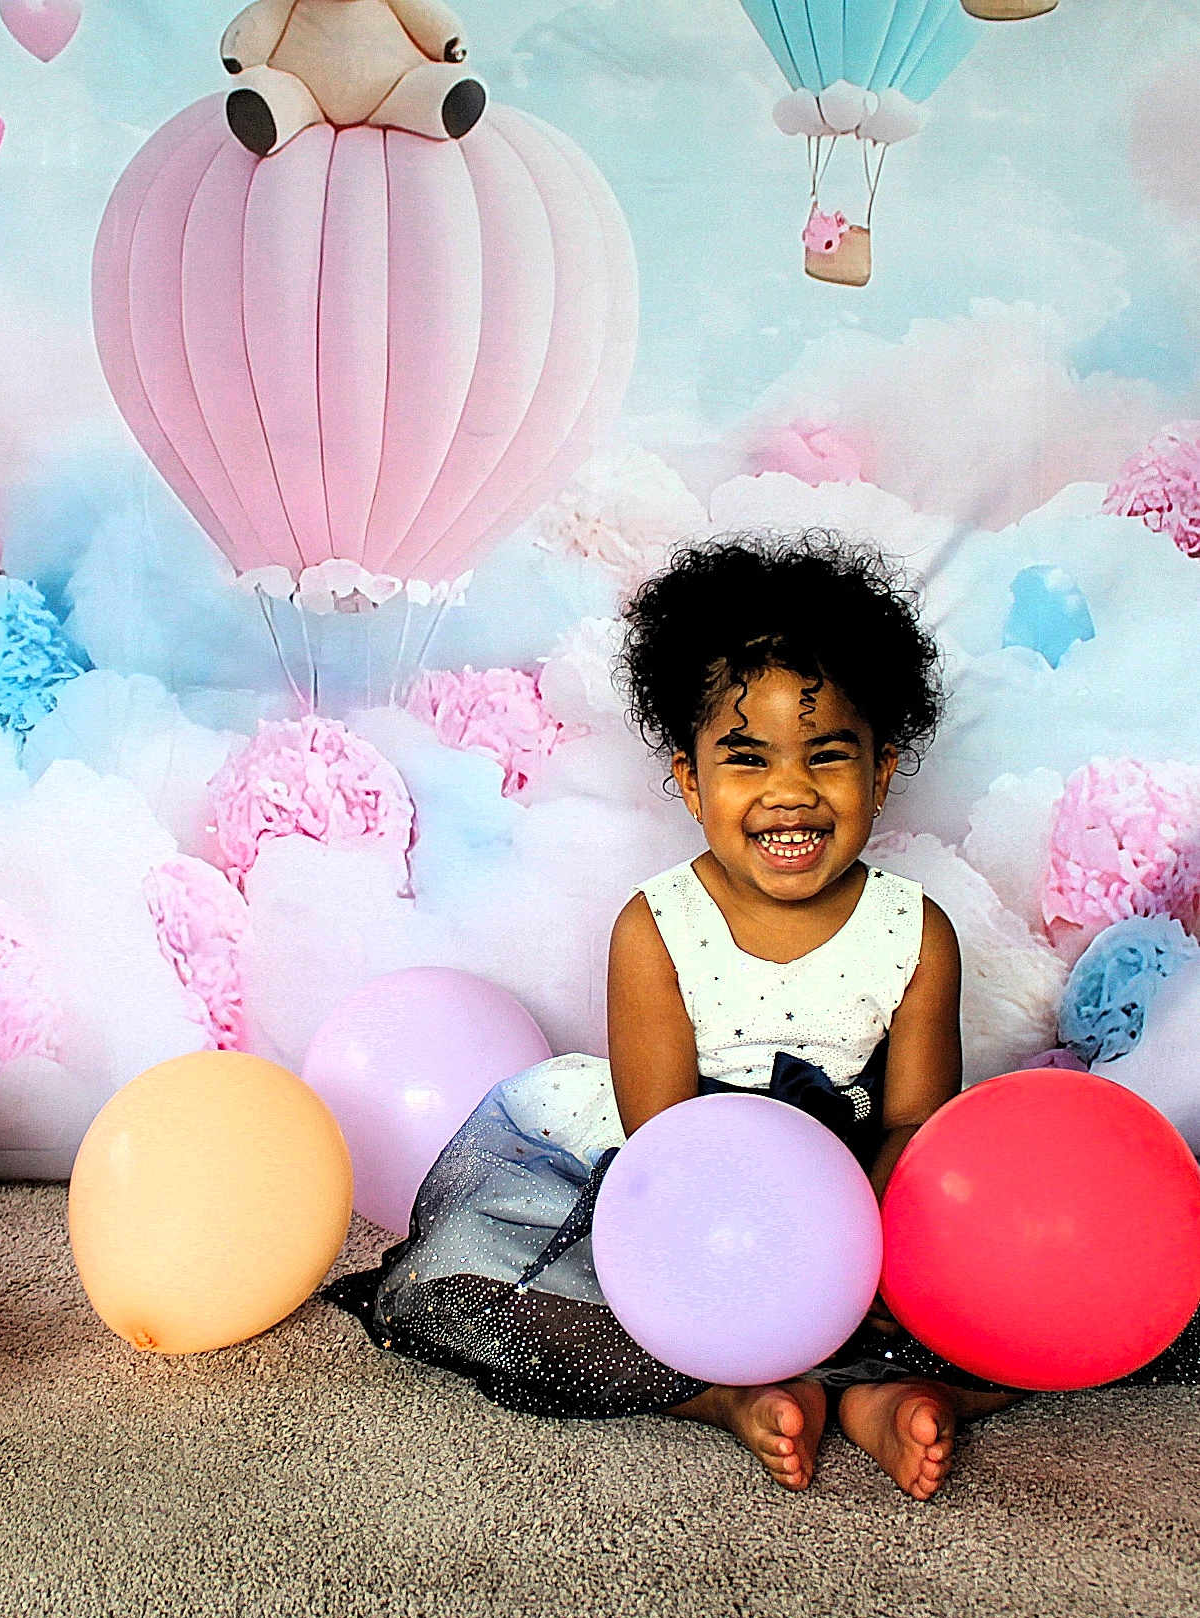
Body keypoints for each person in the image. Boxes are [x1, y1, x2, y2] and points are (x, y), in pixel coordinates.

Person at [327, 531, 1200, 1500]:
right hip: (692, 1214)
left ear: (879, 770)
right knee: (506, 1295)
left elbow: (916, 1130)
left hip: (866, 1202)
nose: (791, 793)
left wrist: (868, 1268)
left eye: (827, 757)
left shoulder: (917, 934)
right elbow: (660, 1149)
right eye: (748, 761)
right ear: (693, 780)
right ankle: (726, 1395)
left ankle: (899, 1395)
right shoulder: (656, 931)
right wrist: (749, 1269)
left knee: (1038, 1298)